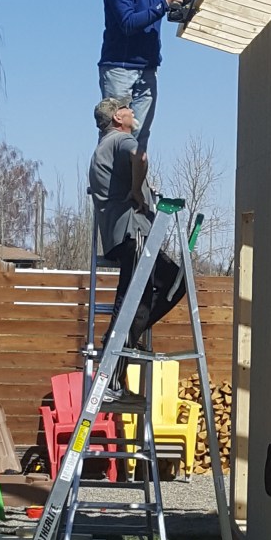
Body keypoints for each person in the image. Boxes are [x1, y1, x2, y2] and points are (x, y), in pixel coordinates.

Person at [89, 97, 186, 401]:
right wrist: (136, 190)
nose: (132, 111)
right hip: (134, 233)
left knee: (160, 290)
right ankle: (111, 374)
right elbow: (140, 157)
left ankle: (127, 340)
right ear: (118, 118)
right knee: (136, 300)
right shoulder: (121, 140)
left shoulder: (104, 146)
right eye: (127, 108)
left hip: (124, 236)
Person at [98, 0, 188, 158]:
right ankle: (109, 178)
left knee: (140, 134)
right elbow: (128, 23)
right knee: (116, 133)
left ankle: (134, 178)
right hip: (120, 68)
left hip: (147, 67)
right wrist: (164, 4)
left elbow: (156, 10)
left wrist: (183, 1)